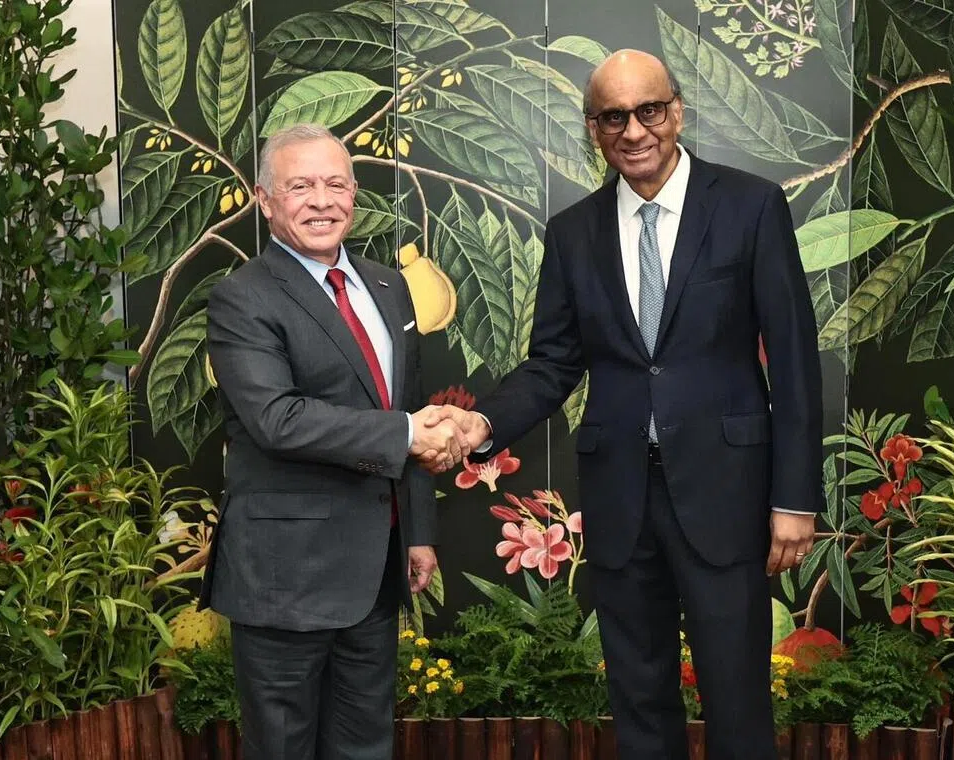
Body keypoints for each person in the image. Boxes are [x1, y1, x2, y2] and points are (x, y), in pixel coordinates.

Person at [431, 50, 824, 759]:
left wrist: (795, 498)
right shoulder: (573, 232)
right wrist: (479, 422)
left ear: (676, 112)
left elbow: (793, 361)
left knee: (737, 698)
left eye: (650, 111)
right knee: (639, 701)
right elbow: (553, 365)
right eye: (615, 117)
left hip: (725, 493)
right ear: (594, 129)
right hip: (620, 495)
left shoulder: (749, 205)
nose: (635, 130)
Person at [198, 124, 468, 760]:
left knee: (364, 745)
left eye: (335, 184)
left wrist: (419, 531)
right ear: (265, 200)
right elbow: (277, 419)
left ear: (354, 193)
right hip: (284, 577)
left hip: (374, 569)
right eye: (300, 186)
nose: (321, 200)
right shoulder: (242, 297)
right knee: (283, 747)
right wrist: (406, 431)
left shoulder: (388, 285)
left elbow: (409, 408)